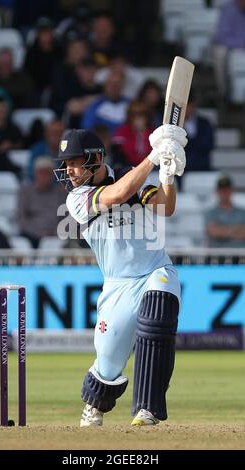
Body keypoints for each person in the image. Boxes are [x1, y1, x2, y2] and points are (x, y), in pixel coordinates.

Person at [53, 125, 187, 426]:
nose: (70, 170)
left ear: (96, 159)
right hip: (118, 286)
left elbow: (166, 207)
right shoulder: (78, 198)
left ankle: (147, 408)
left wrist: (167, 175)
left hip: (155, 269)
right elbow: (118, 193)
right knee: (109, 364)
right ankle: (95, 404)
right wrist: (154, 156)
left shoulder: (131, 176)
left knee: (157, 318)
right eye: (66, 164)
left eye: (75, 162)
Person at [17, 157, 67, 248]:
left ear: (52, 175)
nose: (44, 176)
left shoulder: (60, 193)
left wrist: (55, 232)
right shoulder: (25, 192)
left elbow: (66, 216)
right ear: (35, 174)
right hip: (31, 236)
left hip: (55, 236)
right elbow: (21, 218)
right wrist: (39, 233)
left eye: (47, 173)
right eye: (41, 172)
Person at [205, 175, 245, 248]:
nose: (225, 192)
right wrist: (238, 229)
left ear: (231, 190)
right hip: (218, 256)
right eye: (222, 190)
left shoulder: (244, 212)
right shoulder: (210, 213)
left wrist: (222, 230)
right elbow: (213, 232)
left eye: (227, 189)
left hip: (241, 255)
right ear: (217, 191)